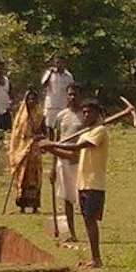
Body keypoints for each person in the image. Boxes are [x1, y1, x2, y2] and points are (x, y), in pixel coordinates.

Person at [36, 96, 109, 267]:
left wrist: (51, 143)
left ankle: (96, 259)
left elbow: (77, 147)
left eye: (89, 112)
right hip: (83, 182)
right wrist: (52, 149)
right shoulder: (87, 132)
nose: (86, 115)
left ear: (97, 114)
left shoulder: (100, 131)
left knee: (90, 220)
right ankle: (93, 257)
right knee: (86, 220)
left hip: (94, 183)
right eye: (84, 112)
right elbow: (72, 155)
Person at [49, 82, 85, 244]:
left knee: (82, 198)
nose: (72, 97)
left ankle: (87, 232)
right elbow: (55, 141)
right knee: (67, 198)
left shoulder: (86, 116)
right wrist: (52, 168)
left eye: (75, 94)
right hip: (62, 162)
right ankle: (72, 233)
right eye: (70, 94)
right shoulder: (61, 116)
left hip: (81, 161)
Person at [7, 87, 45, 212]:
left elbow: (44, 132)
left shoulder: (40, 115)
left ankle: (34, 205)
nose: (31, 101)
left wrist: (39, 137)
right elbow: (16, 135)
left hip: (34, 150)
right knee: (23, 176)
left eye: (34, 99)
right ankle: (22, 205)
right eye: (29, 99)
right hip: (22, 150)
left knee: (35, 177)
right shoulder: (20, 117)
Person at [41, 56, 74, 120]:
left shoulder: (69, 76)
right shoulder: (49, 74)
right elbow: (44, 85)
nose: (59, 65)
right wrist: (50, 73)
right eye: (57, 62)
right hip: (51, 106)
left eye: (61, 63)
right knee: (49, 126)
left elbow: (71, 91)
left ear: (65, 63)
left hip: (63, 106)